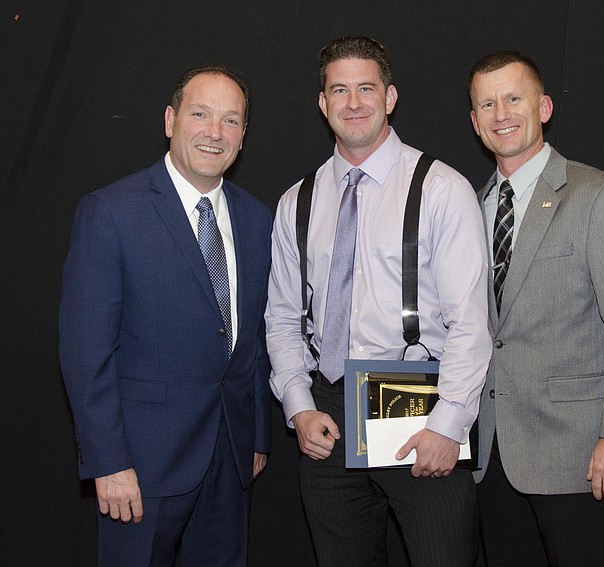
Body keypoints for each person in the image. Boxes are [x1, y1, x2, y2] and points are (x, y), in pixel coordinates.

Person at [265, 36, 491, 567]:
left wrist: (449, 421)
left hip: (419, 410)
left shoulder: (440, 188)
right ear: (323, 105)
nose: (353, 102)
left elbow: (470, 322)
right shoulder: (296, 202)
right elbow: (281, 318)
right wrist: (298, 407)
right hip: (329, 418)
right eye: (338, 90)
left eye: (366, 87)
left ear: (390, 97)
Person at [59, 65, 272, 566]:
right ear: (171, 119)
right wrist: (108, 461)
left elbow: (255, 339)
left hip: (232, 456)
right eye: (201, 114)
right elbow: (85, 353)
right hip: (141, 467)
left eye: (231, 120)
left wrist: (258, 433)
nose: (214, 133)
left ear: (243, 134)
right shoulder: (110, 213)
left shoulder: (258, 218)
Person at [468, 51, 604, 566]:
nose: (500, 113)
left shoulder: (600, 196)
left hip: (578, 457)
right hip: (492, 458)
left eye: (514, 98)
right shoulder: (471, 205)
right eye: (486, 104)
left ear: (545, 107)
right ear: (474, 122)